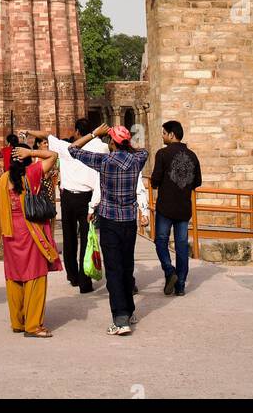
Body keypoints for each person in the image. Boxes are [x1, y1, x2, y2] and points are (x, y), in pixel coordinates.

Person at [63, 122, 148, 336]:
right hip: (129, 221)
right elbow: (141, 150)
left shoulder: (104, 161)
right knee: (127, 265)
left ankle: (120, 319)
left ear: (111, 142)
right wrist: (124, 143)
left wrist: (94, 133)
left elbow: (72, 149)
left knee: (114, 269)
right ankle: (128, 311)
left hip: (110, 220)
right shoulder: (138, 159)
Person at [20, 118, 104, 294]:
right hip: (88, 198)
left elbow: (46, 135)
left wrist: (28, 132)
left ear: (78, 132)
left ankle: (73, 276)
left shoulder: (66, 148)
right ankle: (84, 281)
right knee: (87, 239)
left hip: (68, 198)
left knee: (70, 237)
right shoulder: (100, 147)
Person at [0, 144, 61, 337]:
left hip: (10, 232)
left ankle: (18, 321)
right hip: (31, 231)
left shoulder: (4, 179)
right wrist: (31, 152)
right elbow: (53, 156)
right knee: (35, 275)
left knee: (14, 276)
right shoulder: (32, 173)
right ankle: (33, 325)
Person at [150, 121, 202, 297]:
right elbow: (197, 182)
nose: (163, 136)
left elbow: (155, 181)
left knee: (161, 242)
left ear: (172, 134)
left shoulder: (163, 154)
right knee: (181, 246)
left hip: (165, 207)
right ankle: (180, 285)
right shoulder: (192, 155)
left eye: (164, 133)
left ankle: (169, 270)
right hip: (183, 208)